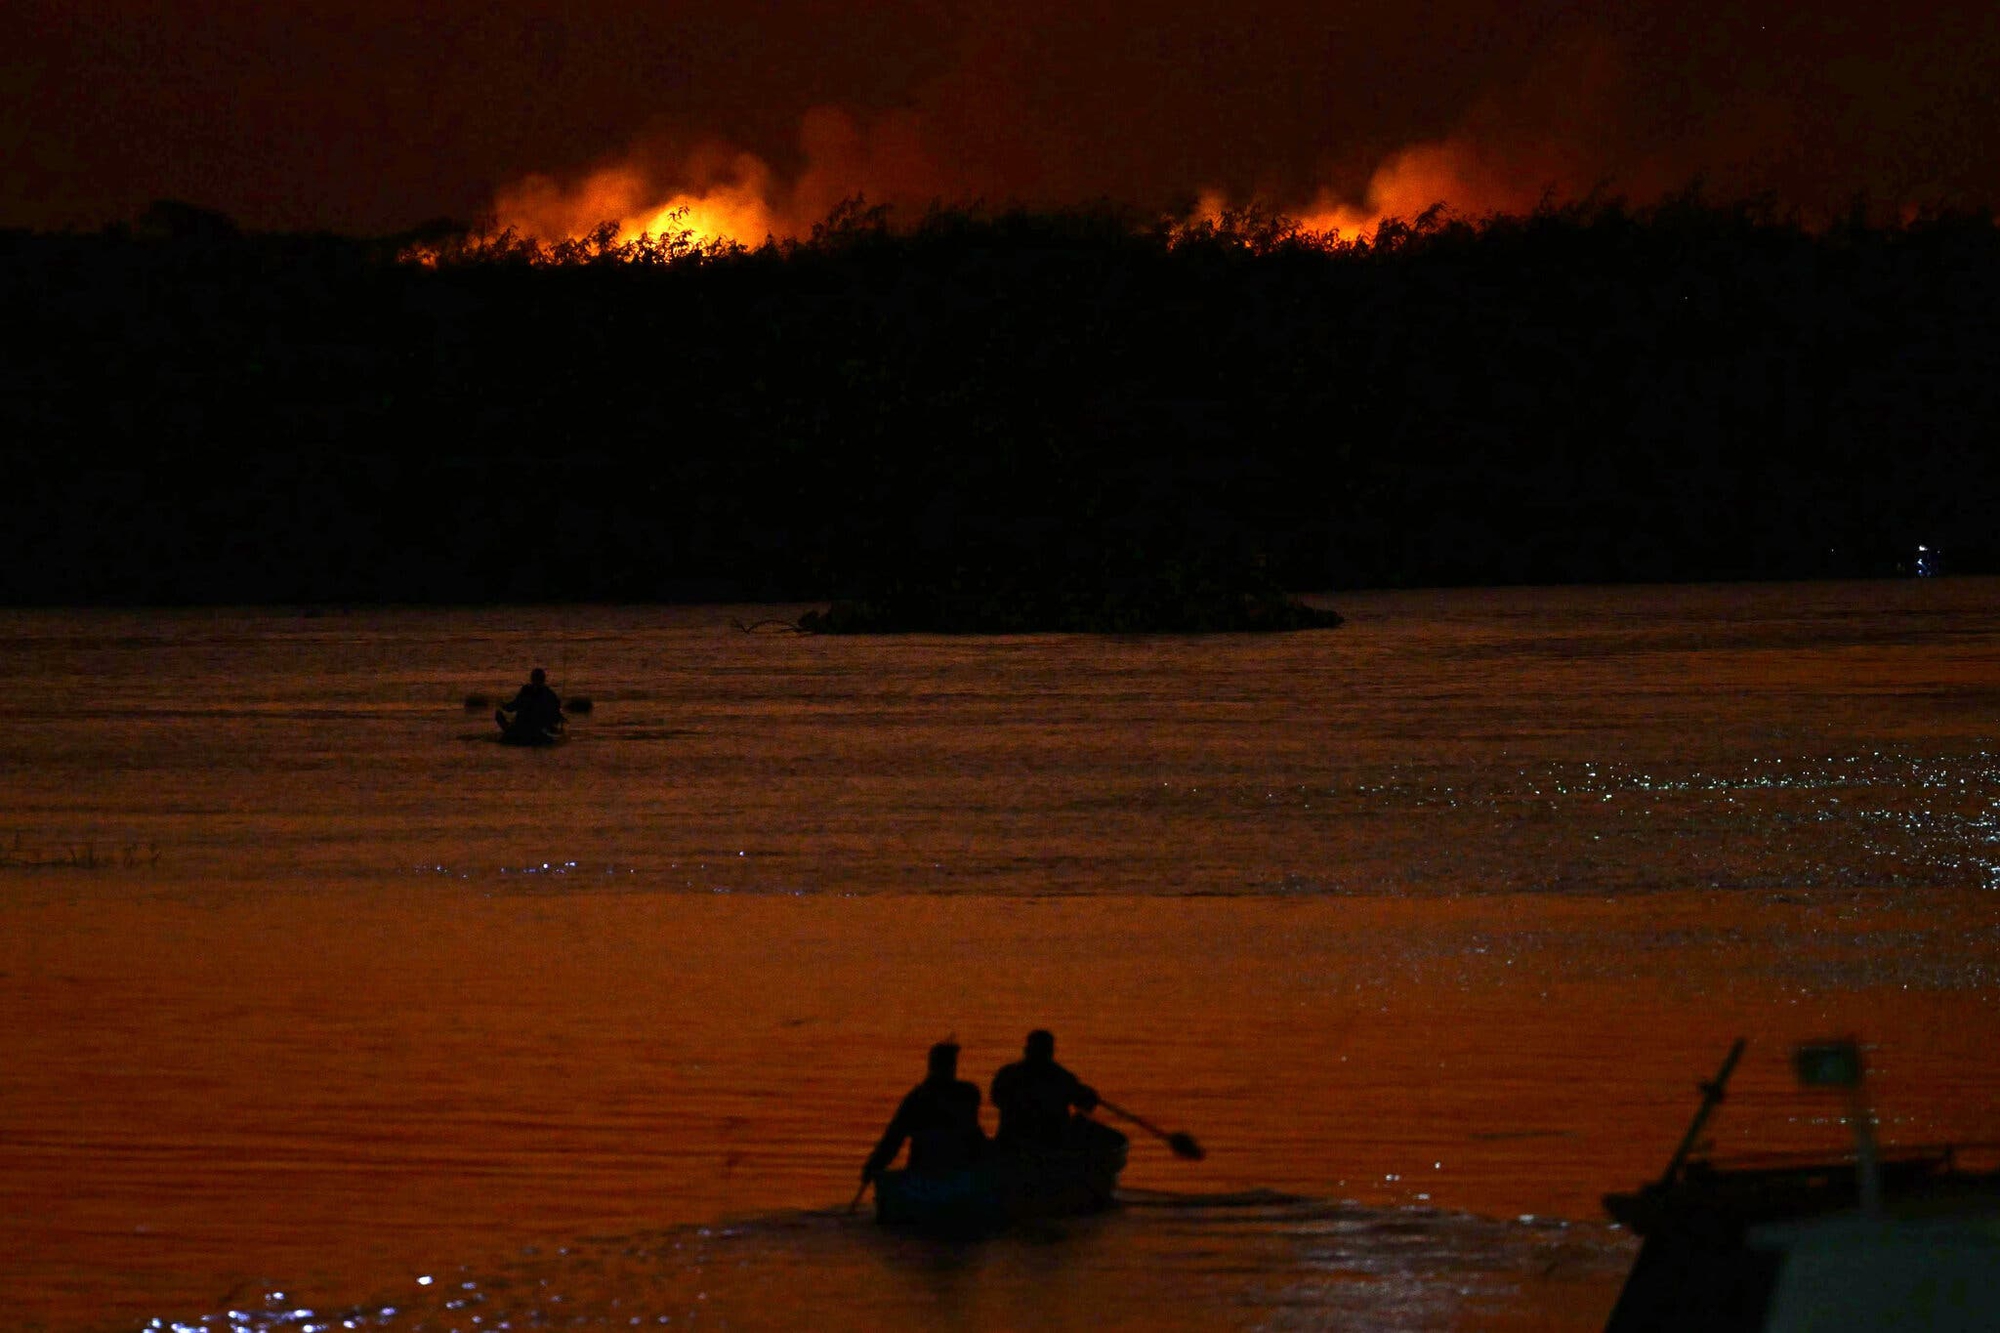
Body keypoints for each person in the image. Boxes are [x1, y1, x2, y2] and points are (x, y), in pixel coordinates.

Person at [862, 1040, 987, 1182]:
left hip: (941, 1170)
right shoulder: (965, 1094)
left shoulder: (963, 1094)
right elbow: (893, 1139)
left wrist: (873, 1166)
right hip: (933, 1171)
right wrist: (874, 1165)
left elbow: (893, 1139)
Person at [990, 1029, 1113, 1151]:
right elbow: (1084, 1103)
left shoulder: (1007, 1074)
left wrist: (1086, 1096)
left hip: (1012, 1141)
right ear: (1051, 1052)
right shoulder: (1063, 1078)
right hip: (1052, 1143)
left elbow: (996, 1099)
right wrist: (1087, 1097)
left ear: (1027, 1050)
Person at [496, 667, 565, 740]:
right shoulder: (529, 691)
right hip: (528, 724)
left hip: (536, 725)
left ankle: (516, 731)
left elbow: (515, 705)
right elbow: (516, 704)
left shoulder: (547, 693)